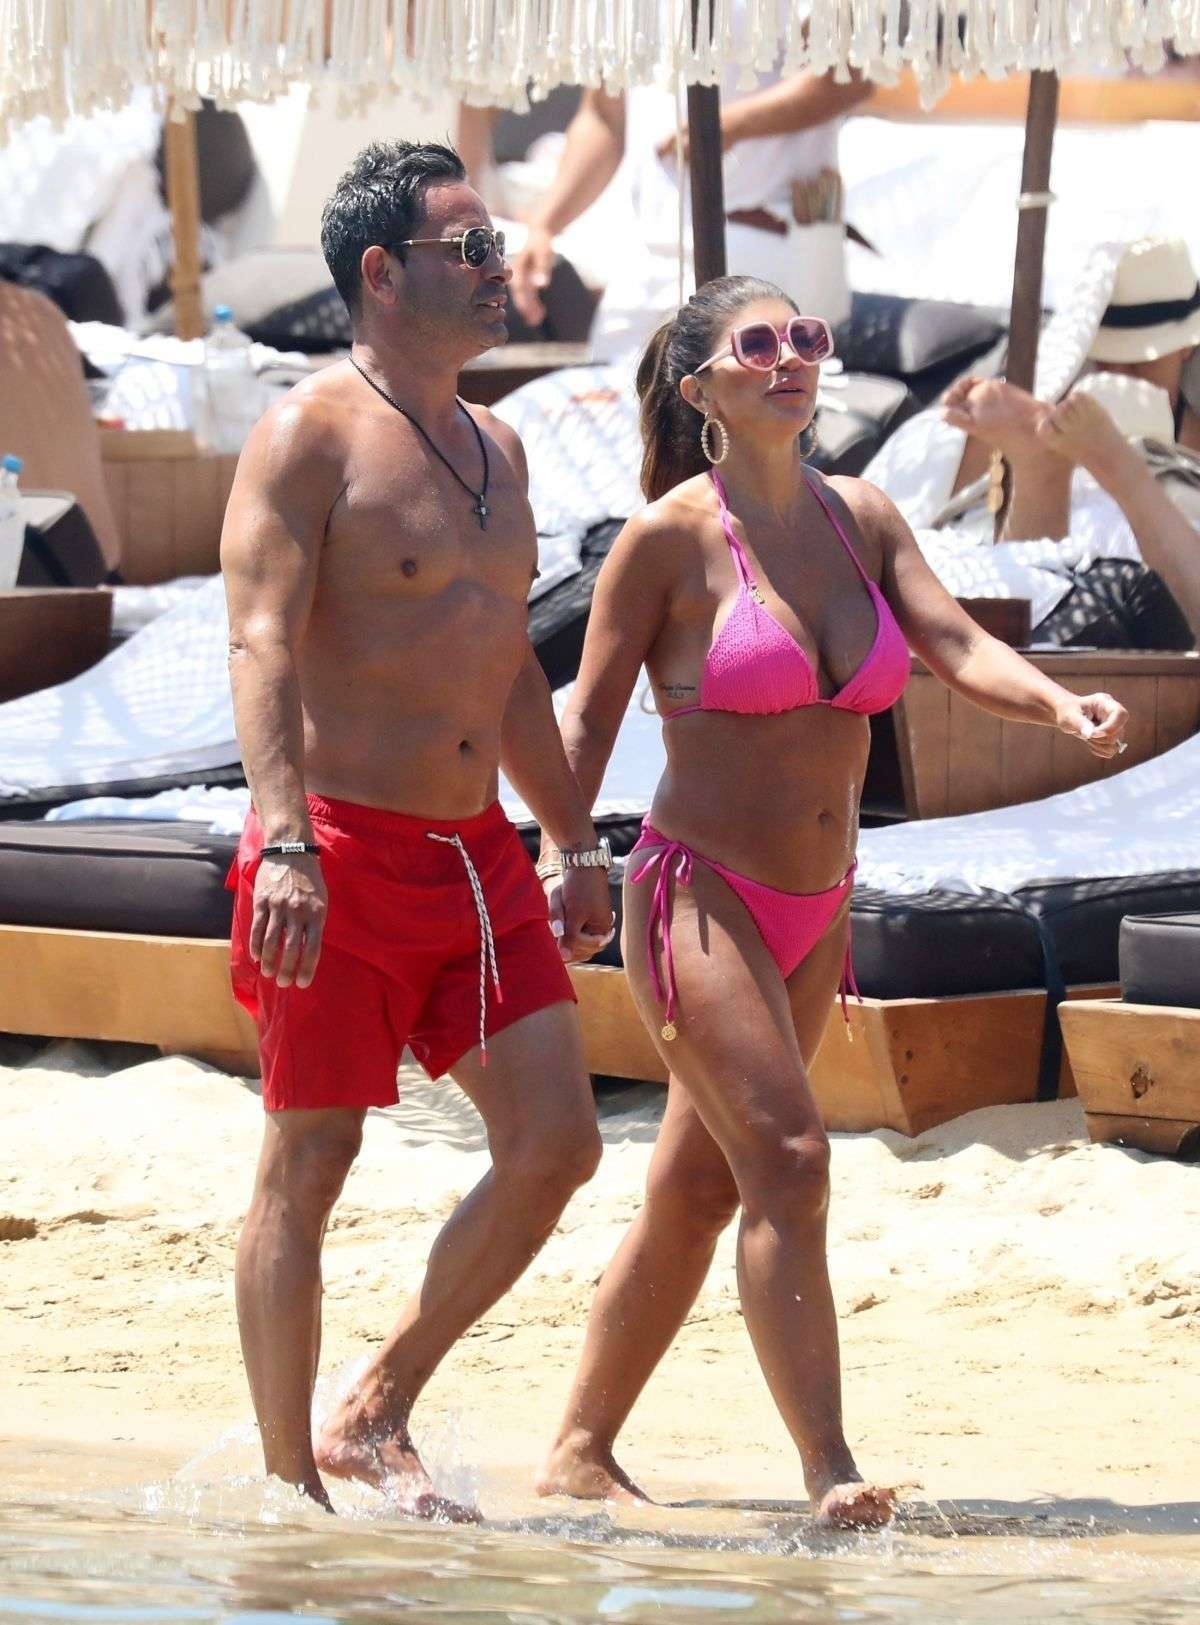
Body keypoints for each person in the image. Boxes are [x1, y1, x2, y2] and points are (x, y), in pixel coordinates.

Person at [533, 275, 1127, 1526]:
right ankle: (829, 1466)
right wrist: (565, 854)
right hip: (697, 898)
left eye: (806, 337)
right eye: (760, 343)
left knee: (702, 1186)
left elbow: (955, 643)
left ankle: (579, 1448)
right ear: (701, 385)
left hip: (820, 904)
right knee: (792, 1161)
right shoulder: (666, 540)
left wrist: (1059, 704)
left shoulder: (861, 514)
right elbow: (584, 714)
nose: (793, 357)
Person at [221, 139, 615, 1517]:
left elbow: (509, 668)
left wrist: (574, 839)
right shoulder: (308, 433)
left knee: (559, 1142)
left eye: (497, 247)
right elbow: (260, 641)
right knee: (311, 1157)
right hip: (335, 851)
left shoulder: (499, 445)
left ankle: (374, 1404)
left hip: (477, 854)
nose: (501, 269)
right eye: (473, 249)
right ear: (384, 272)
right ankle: (290, 1496)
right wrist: (283, 839)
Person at [875, 237, 1200, 650]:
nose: (1122, 375)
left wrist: (1117, 462)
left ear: (1186, 349)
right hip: (1056, 604)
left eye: (1141, 362)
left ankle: (1099, 467)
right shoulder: (1068, 415)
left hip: (1167, 616)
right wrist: (1034, 452)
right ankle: (1042, 467)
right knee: (1050, 557)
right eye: (1107, 359)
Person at [503, 5, 872, 364]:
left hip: (767, 243)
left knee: (760, 394)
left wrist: (726, 125)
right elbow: (603, 114)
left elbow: (846, 77)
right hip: (652, 254)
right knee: (616, 393)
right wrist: (546, 224)